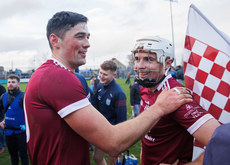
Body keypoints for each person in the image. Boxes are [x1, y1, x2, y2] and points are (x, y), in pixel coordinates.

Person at [24, 11, 193, 165]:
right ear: (55, 40)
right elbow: (113, 142)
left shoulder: (56, 74)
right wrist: (160, 107)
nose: (88, 43)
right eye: (80, 36)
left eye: (88, 37)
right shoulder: (57, 76)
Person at [132, 36, 220, 164]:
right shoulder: (145, 88)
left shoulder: (177, 97)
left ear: (167, 63)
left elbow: (223, 143)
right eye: (137, 59)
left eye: (149, 59)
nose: (139, 66)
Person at [92, 60, 127, 165]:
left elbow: (121, 120)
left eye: (105, 74)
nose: (101, 76)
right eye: (100, 73)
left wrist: (120, 140)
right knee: (97, 157)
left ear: (114, 75)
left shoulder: (119, 93)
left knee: (112, 161)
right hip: (100, 130)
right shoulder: (99, 86)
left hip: (112, 134)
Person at [0, 74, 29, 165]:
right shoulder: (3, 97)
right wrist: (1, 121)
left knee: (23, 155)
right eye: (9, 82)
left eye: (13, 82)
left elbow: (30, 113)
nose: (10, 84)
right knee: (13, 156)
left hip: (21, 132)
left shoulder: (23, 97)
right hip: (8, 132)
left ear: (18, 84)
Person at [0, 84, 6, 154]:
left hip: (0, 110)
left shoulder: (1, 88)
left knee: (0, 127)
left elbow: (3, 99)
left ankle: (2, 145)